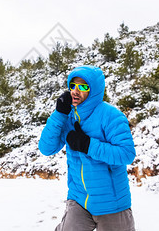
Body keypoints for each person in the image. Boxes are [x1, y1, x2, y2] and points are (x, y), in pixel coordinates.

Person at [38, 65, 136, 231]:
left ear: (95, 90)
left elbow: (126, 154)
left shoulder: (111, 115)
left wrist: (88, 145)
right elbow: (47, 148)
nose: (76, 91)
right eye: (73, 86)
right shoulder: (68, 116)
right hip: (79, 199)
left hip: (111, 203)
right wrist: (59, 114)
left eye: (83, 86)